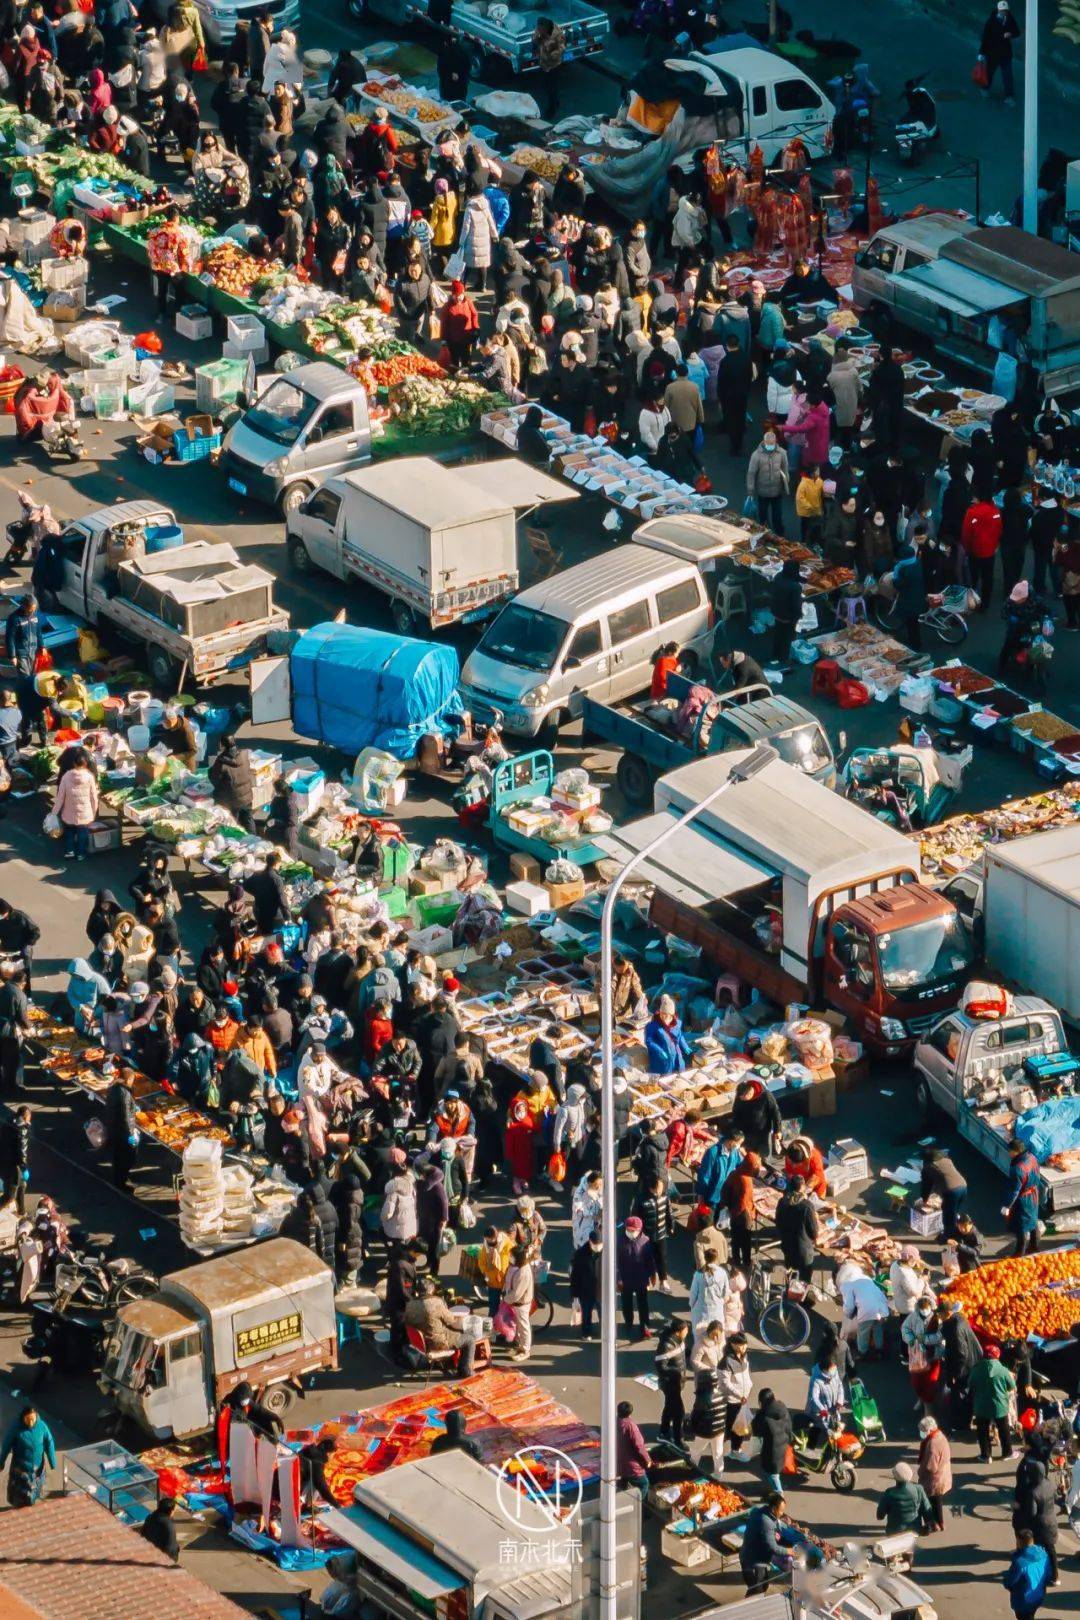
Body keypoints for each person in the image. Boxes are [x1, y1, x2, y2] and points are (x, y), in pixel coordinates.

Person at [404, 1276, 476, 1375]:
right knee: (470, 1339)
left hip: (421, 1342)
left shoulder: (409, 1305)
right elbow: (453, 1322)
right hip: (437, 1342)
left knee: (450, 1331)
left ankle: (451, 1362)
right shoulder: (436, 1303)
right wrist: (463, 1322)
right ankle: (465, 1370)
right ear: (431, 1289)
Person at [0, 1405, 55, 1506]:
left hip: (37, 1468)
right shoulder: (16, 1428)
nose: (30, 1422)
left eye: (32, 1419)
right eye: (27, 1419)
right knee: (20, 1496)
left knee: (34, 1492)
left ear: (36, 1417)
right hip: (21, 1469)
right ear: (23, 1418)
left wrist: (52, 1461)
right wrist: (1, 1462)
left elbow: (49, 1443)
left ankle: (31, 1503)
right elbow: (6, 1446)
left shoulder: (42, 1426)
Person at [970, 1343, 1016, 1462]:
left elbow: (970, 1385)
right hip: (1000, 1405)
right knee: (1004, 1429)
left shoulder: (976, 1369)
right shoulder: (1003, 1370)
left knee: (982, 1430)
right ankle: (1007, 1453)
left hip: (981, 1405)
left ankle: (986, 1455)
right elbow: (1012, 1386)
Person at [617, 1215, 656, 1340]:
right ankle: (628, 1322)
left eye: (632, 1231)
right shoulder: (619, 1241)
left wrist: (652, 1275)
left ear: (639, 1230)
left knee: (643, 1305)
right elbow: (615, 1262)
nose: (630, 1233)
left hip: (641, 1278)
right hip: (625, 1279)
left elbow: (650, 1260)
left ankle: (645, 1327)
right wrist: (618, 1278)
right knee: (626, 1303)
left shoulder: (645, 1241)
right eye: (628, 1230)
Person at [962, 492, 1002, 611]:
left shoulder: (971, 512)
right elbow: (998, 530)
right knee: (987, 577)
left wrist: (967, 548)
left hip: (975, 550)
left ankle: (972, 600)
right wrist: (995, 545)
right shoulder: (995, 511)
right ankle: (985, 603)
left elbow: (966, 534)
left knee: (973, 576)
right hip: (989, 551)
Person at [740, 1491, 786, 1595]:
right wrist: (790, 1551)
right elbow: (774, 1548)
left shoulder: (759, 1512)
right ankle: (748, 1608)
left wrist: (772, 1534)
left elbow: (760, 1530)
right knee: (757, 1591)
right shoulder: (766, 1521)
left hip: (757, 1558)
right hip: (752, 1562)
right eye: (781, 1511)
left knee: (764, 1586)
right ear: (774, 1509)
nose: (782, 1513)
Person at [775, 1178, 819, 1285]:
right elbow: (813, 1232)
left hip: (788, 1247)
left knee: (791, 1276)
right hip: (803, 1250)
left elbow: (778, 1223)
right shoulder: (807, 1206)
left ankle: (789, 1297)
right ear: (802, 1187)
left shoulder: (782, 1202)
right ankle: (801, 1300)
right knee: (804, 1281)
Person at [746, 427, 789, 535]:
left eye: (772, 443)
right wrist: (750, 490)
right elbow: (751, 473)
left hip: (777, 491)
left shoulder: (782, 453)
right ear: (764, 442)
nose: (770, 445)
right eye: (768, 443)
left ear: (775, 442)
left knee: (777, 517)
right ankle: (765, 536)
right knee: (763, 517)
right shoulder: (756, 455)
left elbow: (785, 470)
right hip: (763, 492)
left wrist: (786, 484)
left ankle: (780, 536)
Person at [1004, 1138, 1041, 1255]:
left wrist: (1007, 1206)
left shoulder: (1017, 1169)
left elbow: (1015, 1191)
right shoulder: (1032, 1158)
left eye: (1010, 1151)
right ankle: (1034, 1246)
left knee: (1021, 1226)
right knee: (1033, 1219)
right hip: (1034, 1193)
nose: (1009, 1154)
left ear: (1016, 1151)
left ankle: (1019, 1254)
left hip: (1024, 1199)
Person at [655, 1318, 689, 1448]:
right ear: (678, 1331)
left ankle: (663, 1432)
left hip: (677, 1383)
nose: (687, 1332)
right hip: (670, 1384)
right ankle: (678, 1439)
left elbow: (681, 1355)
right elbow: (660, 1366)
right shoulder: (666, 1345)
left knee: (669, 1407)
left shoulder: (679, 1341)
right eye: (686, 1330)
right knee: (679, 1412)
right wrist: (676, 1372)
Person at [210, 737, 256, 832]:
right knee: (248, 820)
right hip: (247, 796)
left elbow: (214, 780)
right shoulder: (244, 754)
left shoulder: (221, 762)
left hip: (232, 800)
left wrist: (210, 771)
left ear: (222, 746)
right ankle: (254, 839)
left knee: (233, 824)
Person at [921, 1146, 968, 1238]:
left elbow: (926, 1185)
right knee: (954, 1211)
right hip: (963, 1186)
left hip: (951, 1191)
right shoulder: (947, 1160)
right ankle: (958, 1228)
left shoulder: (928, 1166)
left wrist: (924, 1199)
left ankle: (948, 1235)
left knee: (948, 1215)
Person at [1003, 1530, 1051, 1620]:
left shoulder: (1020, 1563)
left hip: (1023, 1600)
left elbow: (1009, 1582)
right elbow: (1048, 1574)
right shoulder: (1043, 1554)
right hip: (1039, 1595)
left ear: (1019, 1541)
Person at [980, 0, 1021, 102]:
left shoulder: (1009, 19)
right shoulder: (991, 22)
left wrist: (1010, 34)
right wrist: (982, 52)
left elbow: (1017, 32)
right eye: (1002, 11)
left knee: (1007, 76)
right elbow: (985, 38)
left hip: (1005, 53)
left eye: (1005, 11)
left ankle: (1009, 96)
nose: (1004, 13)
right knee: (989, 73)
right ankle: (984, 89)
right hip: (993, 53)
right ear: (998, 10)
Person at [502, 1242, 535, 1362]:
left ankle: (525, 1350)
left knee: (523, 1326)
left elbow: (516, 1294)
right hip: (514, 1302)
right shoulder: (515, 1265)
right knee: (518, 1325)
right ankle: (520, 1346)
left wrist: (505, 1299)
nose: (509, 1257)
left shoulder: (524, 1272)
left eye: (511, 1255)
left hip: (521, 1303)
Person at [917, 1414, 952, 1532]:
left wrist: (920, 1472)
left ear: (929, 1429)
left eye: (922, 1430)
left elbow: (931, 1467)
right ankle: (940, 1522)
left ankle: (933, 1524)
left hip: (933, 1480)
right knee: (937, 1501)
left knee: (928, 1503)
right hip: (943, 1476)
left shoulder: (932, 1444)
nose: (921, 1433)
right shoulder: (940, 1436)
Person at [876, 1461, 931, 1534]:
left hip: (894, 1531)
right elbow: (927, 1510)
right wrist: (928, 1524)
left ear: (895, 1478)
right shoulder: (919, 1489)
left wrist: (882, 1515)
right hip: (914, 1530)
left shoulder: (889, 1493)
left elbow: (880, 1515)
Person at [569, 1227, 602, 1338]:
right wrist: (575, 1293)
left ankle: (605, 1331)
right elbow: (575, 1275)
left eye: (599, 1244)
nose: (597, 1246)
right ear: (590, 1241)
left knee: (603, 1312)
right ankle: (586, 1332)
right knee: (586, 1312)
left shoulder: (606, 1252)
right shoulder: (580, 1254)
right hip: (586, 1289)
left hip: (601, 1288)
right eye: (595, 1243)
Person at [770, 558, 803, 668]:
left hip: (776, 611)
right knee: (787, 637)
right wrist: (799, 615)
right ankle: (784, 660)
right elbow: (796, 605)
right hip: (788, 616)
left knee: (778, 633)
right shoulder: (795, 587)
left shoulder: (778, 576)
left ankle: (775, 654)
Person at [532, 16, 565, 120]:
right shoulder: (540, 29)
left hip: (554, 64)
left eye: (541, 30)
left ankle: (552, 109)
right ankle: (555, 102)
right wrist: (536, 40)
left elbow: (562, 48)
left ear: (546, 27)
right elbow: (535, 37)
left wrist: (550, 54)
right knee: (545, 85)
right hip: (544, 63)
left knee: (552, 86)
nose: (539, 31)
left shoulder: (557, 34)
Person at [615, 1400, 650, 1497]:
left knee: (621, 1485)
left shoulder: (614, 1422)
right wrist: (648, 1460)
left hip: (617, 1464)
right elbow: (639, 1446)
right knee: (644, 1484)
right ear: (630, 1413)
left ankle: (619, 1503)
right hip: (631, 1466)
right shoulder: (630, 1426)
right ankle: (637, 1505)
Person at [0, 1103, 31, 1211]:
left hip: (3, 1160)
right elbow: (22, 1150)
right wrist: (24, 1167)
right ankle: (20, 1211)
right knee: (10, 1195)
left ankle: (22, 1211)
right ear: (26, 1116)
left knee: (22, 1185)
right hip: (13, 1165)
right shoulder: (22, 1129)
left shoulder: (8, 1122)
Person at [139, 1495, 179, 1561]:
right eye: (174, 1510)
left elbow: (143, 1533)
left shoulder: (150, 1517)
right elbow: (171, 1545)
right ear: (171, 1511)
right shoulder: (168, 1524)